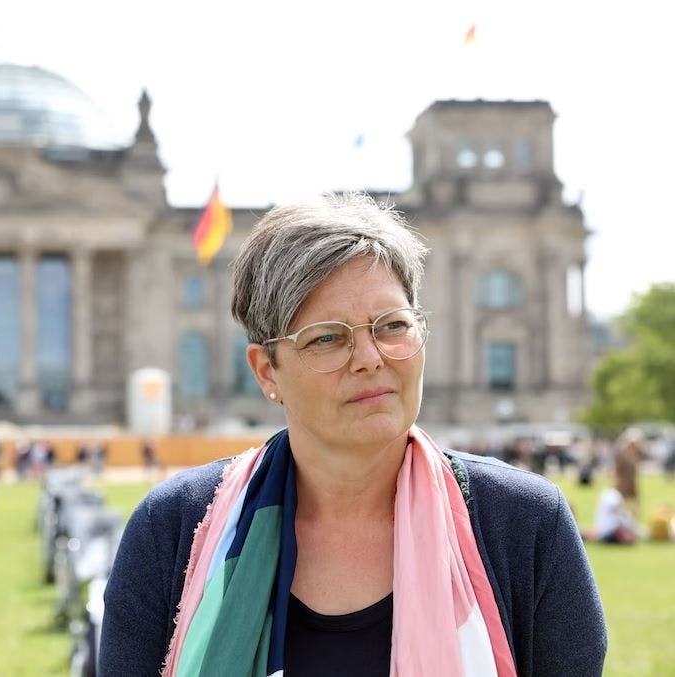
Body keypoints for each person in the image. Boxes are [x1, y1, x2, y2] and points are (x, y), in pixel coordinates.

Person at [100, 193, 606, 676]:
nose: (370, 358)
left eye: (391, 325)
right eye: (327, 338)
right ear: (266, 371)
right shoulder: (170, 530)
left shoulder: (525, 526)